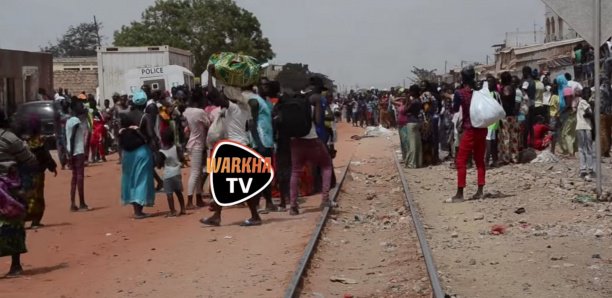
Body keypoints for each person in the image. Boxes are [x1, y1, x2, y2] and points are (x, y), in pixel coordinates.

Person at [201, 66, 263, 226]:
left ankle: (255, 216)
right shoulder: (243, 108)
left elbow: (212, 93)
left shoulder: (234, 108)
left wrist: (210, 75)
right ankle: (217, 216)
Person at [286, 77, 334, 216]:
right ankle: (325, 199)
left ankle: (293, 206)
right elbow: (318, 120)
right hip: (312, 138)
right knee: (326, 165)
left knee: (295, 171)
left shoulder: (297, 97)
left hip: (295, 140)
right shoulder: (316, 98)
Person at [0, 109, 38, 276]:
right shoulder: (10, 138)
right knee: (14, 223)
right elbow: (29, 159)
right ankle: (15, 265)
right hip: (11, 187)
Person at [447, 66, 488, 203]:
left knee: (461, 160)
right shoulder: (480, 92)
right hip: (482, 129)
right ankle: (480, 191)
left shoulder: (460, 93)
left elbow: (454, 108)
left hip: (469, 129)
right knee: (479, 160)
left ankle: (460, 193)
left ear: (462, 78)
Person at [119, 90, 156, 219]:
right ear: (145, 102)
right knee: (142, 179)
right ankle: (138, 211)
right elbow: (151, 135)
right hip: (141, 151)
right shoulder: (144, 116)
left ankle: (135, 208)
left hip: (127, 152)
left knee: (130, 179)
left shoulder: (125, 115)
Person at [246, 84, 278, 215]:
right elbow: (252, 122)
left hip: (267, 141)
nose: (266, 88)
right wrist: (258, 143)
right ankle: (258, 203)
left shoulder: (267, 102)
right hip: (261, 142)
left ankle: (269, 202)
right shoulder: (255, 101)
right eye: (263, 86)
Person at [22, 116, 57, 228]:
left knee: (26, 195)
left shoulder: (24, 141)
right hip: (38, 172)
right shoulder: (41, 141)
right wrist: (52, 167)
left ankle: (23, 218)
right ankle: (35, 221)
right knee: (38, 196)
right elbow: (46, 156)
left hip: (26, 173)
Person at [182, 94, 210, 209]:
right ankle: (189, 201)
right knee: (195, 173)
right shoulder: (199, 112)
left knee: (197, 173)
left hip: (192, 142)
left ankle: (198, 199)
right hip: (197, 144)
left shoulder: (187, 111)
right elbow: (208, 123)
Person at [66, 101, 90, 211]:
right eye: (80, 106)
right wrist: (71, 155)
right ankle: (82, 203)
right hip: (77, 152)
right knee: (80, 177)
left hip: (72, 151)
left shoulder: (68, 121)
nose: (82, 108)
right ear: (75, 108)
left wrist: (69, 154)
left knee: (74, 178)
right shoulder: (75, 121)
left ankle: (72, 204)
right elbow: (72, 138)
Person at [157, 129, 186, 217]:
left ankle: (172, 211)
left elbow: (159, 165)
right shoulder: (176, 147)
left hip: (168, 174)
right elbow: (182, 158)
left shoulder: (162, 151)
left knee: (169, 194)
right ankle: (183, 209)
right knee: (178, 192)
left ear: (162, 140)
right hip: (177, 172)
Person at [498, 72, 520, 164]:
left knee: (506, 136)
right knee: (514, 136)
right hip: (512, 115)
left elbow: (506, 97)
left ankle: (506, 158)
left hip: (506, 116)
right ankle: (514, 157)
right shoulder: (513, 88)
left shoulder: (506, 88)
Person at [575, 88, 595, 180]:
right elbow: (588, 114)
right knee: (587, 149)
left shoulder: (581, 102)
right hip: (585, 127)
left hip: (581, 127)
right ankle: (588, 169)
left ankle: (584, 169)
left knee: (583, 149)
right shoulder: (584, 102)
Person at [405, 85, 423, 168]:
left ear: (413, 92)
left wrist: (407, 99)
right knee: (418, 143)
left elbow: (405, 110)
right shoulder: (419, 100)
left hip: (411, 123)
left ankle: (411, 163)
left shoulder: (413, 102)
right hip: (417, 122)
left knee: (412, 144)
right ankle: (419, 162)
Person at [560, 87, 577, 156]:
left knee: (565, 134)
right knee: (572, 134)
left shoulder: (571, 101)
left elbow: (568, 106)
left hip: (571, 117)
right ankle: (572, 150)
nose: (566, 98)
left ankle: (569, 151)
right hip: (574, 117)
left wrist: (560, 112)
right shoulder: (575, 100)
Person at [600, 77, 612, 157]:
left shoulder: (599, 90)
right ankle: (607, 150)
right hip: (610, 112)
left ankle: (604, 150)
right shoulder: (610, 90)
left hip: (602, 113)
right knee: (609, 132)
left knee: (603, 132)